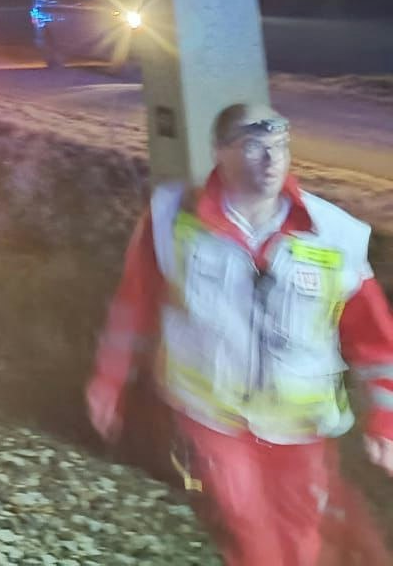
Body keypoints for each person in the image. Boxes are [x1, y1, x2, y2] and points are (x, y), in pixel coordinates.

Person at [88, 101, 393, 566]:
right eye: (254, 147)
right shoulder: (172, 220)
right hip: (214, 421)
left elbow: (375, 341)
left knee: (301, 535)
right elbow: (135, 306)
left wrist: (384, 419)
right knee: (248, 529)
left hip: (300, 429)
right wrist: (108, 381)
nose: (271, 160)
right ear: (220, 152)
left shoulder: (333, 234)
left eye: (279, 146)